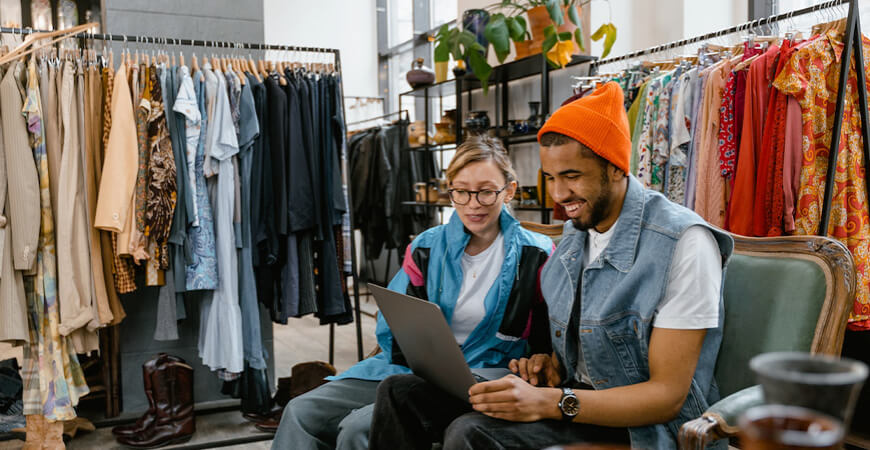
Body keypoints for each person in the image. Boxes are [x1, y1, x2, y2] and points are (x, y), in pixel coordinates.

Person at [368, 82, 735, 450]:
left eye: (572, 176)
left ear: (615, 168)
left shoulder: (683, 243)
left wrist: (552, 401)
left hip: (645, 429)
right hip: (574, 402)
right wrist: (548, 366)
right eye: (551, 179)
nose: (559, 196)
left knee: (469, 432)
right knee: (401, 393)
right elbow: (581, 355)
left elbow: (666, 397)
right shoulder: (575, 237)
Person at [271, 135, 555, 450]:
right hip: (410, 372)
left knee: (357, 429)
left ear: (509, 190)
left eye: (486, 192)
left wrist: (540, 362)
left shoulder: (537, 254)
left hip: (487, 380)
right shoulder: (425, 247)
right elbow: (395, 324)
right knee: (300, 411)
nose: (473, 204)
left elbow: (551, 337)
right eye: (461, 192)